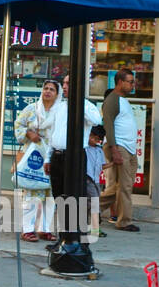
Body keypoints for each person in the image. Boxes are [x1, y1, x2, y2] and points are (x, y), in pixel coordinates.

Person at [42, 77, 102, 242]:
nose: (65, 87)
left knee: (76, 198)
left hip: (74, 157)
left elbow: (96, 120)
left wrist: (79, 103)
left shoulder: (87, 106)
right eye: (65, 83)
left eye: (69, 83)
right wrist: (48, 157)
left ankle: (78, 238)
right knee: (59, 197)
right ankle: (63, 237)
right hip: (58, 155)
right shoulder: (60, 107)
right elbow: (52, 134)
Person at [13, 79, 59, 243]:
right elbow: (18, 124)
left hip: (53, 156)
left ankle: (44, 230)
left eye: (52, 89)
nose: (47, 91)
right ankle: (27, 230)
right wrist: (28, 133)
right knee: (32, 194)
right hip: (34, 157)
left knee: (50, 195)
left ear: (57, 93)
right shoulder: (32, 109)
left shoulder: (60, 111)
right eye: (45, 88)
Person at [100, 67, 140, 232]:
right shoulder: (112, 100)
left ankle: (90, 210)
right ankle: (124, 221)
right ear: (120, 82)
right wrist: (114, 149)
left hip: (129, 148)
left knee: (121, 186)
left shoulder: (123, 100)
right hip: (119, 147)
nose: (132, 85)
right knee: (124, 186)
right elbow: (108, 125)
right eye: (130, 82)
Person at [84, 125, 107, 240]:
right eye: (92, 137)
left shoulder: (99, 150)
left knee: (92, 204)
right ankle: (95, 229)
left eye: (98, 139)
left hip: (96, 181)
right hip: (87, 179)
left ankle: (93, 227)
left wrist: (113, 164)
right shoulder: (84, 148)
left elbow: (102, 165)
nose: (95, 140)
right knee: (93, 204)